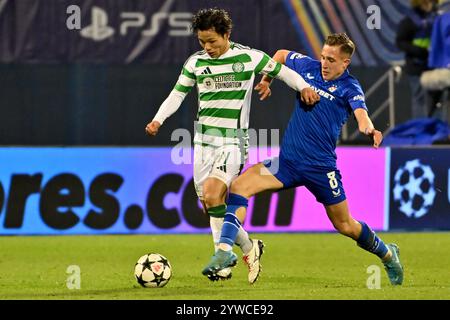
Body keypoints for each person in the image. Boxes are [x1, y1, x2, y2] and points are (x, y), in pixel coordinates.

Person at [202, 33, 404, 286]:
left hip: (321, 169)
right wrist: (267, 80)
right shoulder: (308, 67)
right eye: (322, 56)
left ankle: (387, 253)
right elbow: (280, 55)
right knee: (239, 187)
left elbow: (362, 115)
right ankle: (224, 250)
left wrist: (370, 129)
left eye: (331, 59)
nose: (324, 63)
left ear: (346, 63)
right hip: (286, 164)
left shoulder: (350, 88)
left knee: (345, 225)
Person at [145, 8, 319, 283]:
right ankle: (250, 247)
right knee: (209, 205)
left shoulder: (248, 57)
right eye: (202, 42)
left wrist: (304, 88)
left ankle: (223, 259)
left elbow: (283, 71)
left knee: (214, 194)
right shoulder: (195, 63)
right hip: (202, 142)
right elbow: (176, 95)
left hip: (233, 141)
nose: (207, 47)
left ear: (227, 34)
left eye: (212, 41)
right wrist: (158, 120)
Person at [396, 0, 439, 119]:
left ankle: (432, 130)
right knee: (420, 100)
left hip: (432, 66)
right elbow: (400, 42)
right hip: (416, 66)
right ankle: (421, 130)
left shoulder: (435, 19)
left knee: (434, 100)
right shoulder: (410, 21)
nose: (433, 5)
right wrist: (419, 51)